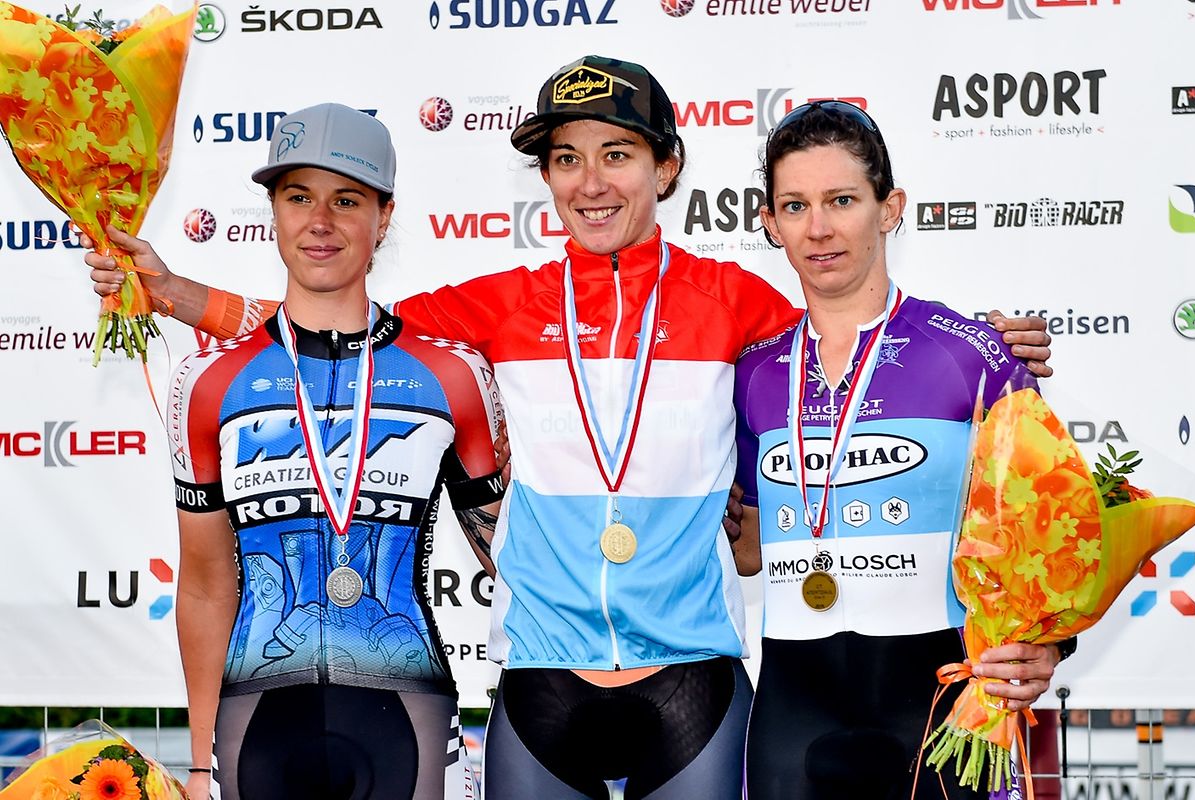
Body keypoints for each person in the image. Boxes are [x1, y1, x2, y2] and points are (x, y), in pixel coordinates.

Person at [85, 58, 1052, 799]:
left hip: (698, 686)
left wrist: (984, 344)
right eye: (566, 158)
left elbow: (857, 333)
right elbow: (331, 323)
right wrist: (180, 295)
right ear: (546, 176)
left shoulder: (738, 305)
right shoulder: (497, 306)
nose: (590, 181)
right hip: (541, 680)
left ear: (668, 167)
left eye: (618, 153)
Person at [163, 103, 503, 800]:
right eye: (298, 198)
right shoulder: (208, 382)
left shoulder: (452, 374)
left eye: (346, 200)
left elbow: (514, 556)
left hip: (406, 714)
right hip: (255, 727)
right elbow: (201, 584)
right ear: (273, 213)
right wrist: (201, 764)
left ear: (384, 215)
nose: (320, 222)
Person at [732, 101, 1069, 799]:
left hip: (944, 707)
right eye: (794, 205)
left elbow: (1057, 530)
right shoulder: (753, 374)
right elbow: (748, 545)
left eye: (842, 200)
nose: (818, 228)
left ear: (890, 209)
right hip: (793, 716)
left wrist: (1052, 644)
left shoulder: (973, 355)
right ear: (769, 223)